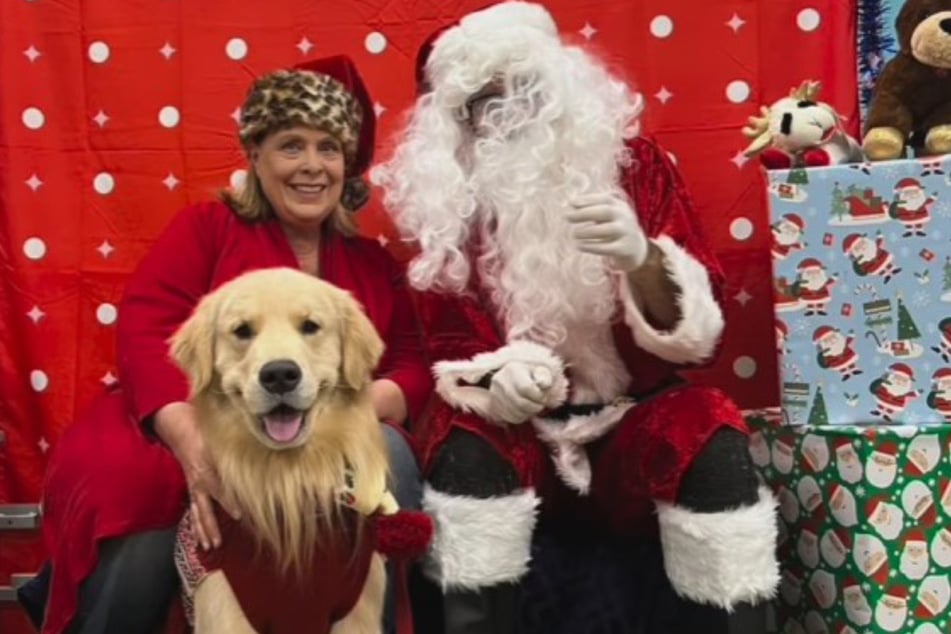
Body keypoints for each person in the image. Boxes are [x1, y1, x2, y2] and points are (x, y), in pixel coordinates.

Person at [371, 3, 780, 633]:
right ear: (460, 123)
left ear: (562, 86)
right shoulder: (449, 205)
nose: (510, 114)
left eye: (525, 90)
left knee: (708, 432)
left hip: (629, 424)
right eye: (487, 103)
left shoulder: (636, 168)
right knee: (462, 442)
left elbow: (700, 339)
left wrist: (642, 260)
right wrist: (497, 381)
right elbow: (449, 346)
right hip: (520, 433)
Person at [26, 54, 432, 634]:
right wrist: (188, 437)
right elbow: (146, 329)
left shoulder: (370, 263)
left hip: (324, 422)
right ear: (256, 157)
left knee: (387, 458)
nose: (312, 166)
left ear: (349, 165)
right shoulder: (205, 228)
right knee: (135, 485)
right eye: (291, 146)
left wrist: (361, 411)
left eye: (329, 148)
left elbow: (411, 362)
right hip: (188, 414)